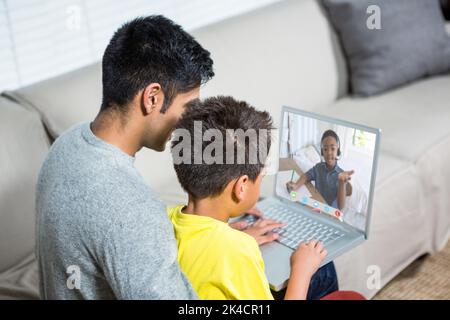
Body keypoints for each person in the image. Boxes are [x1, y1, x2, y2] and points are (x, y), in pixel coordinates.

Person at [35, 15, 274, 300]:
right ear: (152, 98)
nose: (192, 121)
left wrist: (220, 243)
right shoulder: (131, 209)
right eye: (189, 106)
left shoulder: (67, 144)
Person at [167, 96, 337, 299]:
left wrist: (228, 235)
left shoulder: (166, 218)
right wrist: (301, 271)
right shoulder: (238, 250)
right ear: (241, 187)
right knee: (324, 270)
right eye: (262, 175)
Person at [286, 130, 354, 210]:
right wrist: (296, 185)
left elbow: (341, 206)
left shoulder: (341, 176)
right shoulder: (318, 167)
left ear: (337, 151)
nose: (329, 152)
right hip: (317, 206)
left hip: (329, 213)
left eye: (332, 148)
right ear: (322, 152)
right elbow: (306, 176)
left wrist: (342, 183)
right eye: (325, 149)